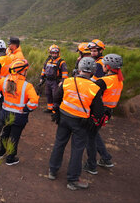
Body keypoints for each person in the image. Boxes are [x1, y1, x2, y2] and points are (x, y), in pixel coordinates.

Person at [48, 57, 104, 191]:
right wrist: (93, 120)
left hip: (64, 118)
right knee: (77, 149)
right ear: (93, 71)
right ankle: (73, 180)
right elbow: (98, 111)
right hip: (81, 122)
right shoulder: (95, 88)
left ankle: (52, 171)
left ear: (79, 69)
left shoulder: (67, 81)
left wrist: (57, 111)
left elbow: (56, 97)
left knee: (59, 143)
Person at [0, 59, 39, 165]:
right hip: (19, 116)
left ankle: (0, 153)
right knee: (14, 137)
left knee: (5, 134)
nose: (26, 71)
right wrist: (26, 108)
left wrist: (1, 99)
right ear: (21, 71)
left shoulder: (5, 81)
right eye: (25, 70)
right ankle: (10, 158)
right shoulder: (27, 86)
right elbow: (34, 102)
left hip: (5, 113)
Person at [84, 54, 124, 174]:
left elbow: (91, 93)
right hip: (107, 112)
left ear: (107, 66)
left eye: (103, 66)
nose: (102, 67)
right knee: (94, 134)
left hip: (98, 112)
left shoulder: (104, 81)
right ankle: (106, 158)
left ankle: (91, 165)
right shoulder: (119, 79)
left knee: (90, 137)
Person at [39, 45, 68, 113]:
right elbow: (43, 70)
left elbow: (65, 73)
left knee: (55, 95)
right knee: (48, 94)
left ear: (58, 53)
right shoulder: (47, 60)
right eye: (53, 53)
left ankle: (55, 110)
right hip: (47, 80)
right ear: (50, 53)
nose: (54, 54)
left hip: (56, 81)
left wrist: (63, 81)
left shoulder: (61, 62)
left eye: (56, 53)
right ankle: (50, 108)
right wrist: (41, 77)